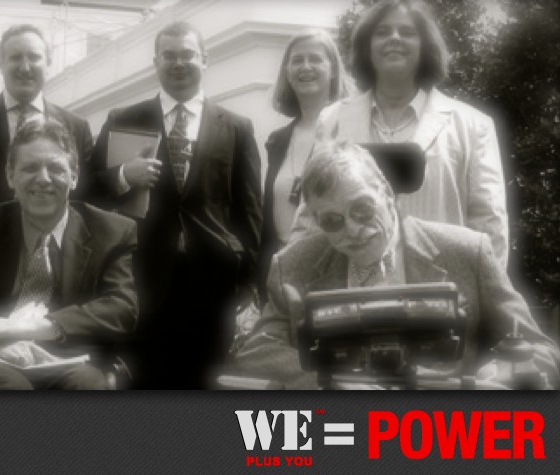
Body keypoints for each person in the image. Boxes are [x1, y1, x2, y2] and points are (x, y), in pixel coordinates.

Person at [233, 141, 559, 389]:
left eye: (362, 209)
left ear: (387, 195)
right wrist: (329, 377)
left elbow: (540, 349)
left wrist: (505, 370)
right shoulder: (293, 265)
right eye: (332, 221)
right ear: (316, 221)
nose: (353, 229)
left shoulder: (467, 252)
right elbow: (256, 354)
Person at [82, 22, 263, 389]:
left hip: (213, 282)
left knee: (204, 380)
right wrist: (122, 175)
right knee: (144, 381)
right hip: (141, 277)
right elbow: (87, 192)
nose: (178, 63)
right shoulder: (124, 119)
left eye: (187, 55)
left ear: (205, 60)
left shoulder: (237, 127)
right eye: (169, 56)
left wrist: (248, 277)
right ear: (156, 62)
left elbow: (250, 209)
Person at [290, 0, 509, 269]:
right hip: (350, 296)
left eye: (407, 32)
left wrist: (483, 294)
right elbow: (309, 215)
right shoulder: (332, 121)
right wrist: (295, 285)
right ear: (367, 47)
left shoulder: (472, 125)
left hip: (444, 293)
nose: (394, 38)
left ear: (425, 47)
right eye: (382, 32)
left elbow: (490, 224)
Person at [0, 119, 138, 390]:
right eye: (30, 168)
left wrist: (37, 328)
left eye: (55, 168)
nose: (43, 179)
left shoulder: (112, 232)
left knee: (88, 386)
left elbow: (121, 306)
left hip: (73, 358)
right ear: (10, 176)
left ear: (74, 176)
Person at [0, 24, 94, 224]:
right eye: (15, 57)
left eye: (34, 57)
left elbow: (86, 198)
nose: (25, 67)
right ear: (1, 64)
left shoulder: (77, 127)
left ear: (48, 63)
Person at [257, 29, 351, 303]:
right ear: (287, 71)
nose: (305, 67)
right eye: (297, 60)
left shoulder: (351, 127)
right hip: (285, 272)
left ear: (332, 69)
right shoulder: (278, 140)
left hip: (335, 271)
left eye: (315, 59)